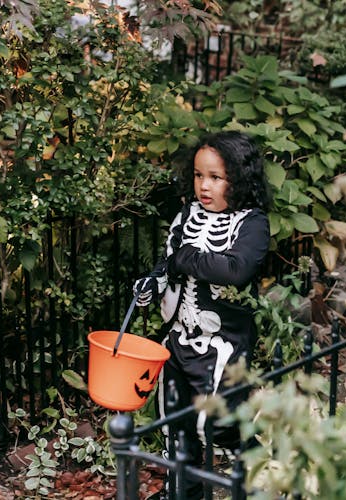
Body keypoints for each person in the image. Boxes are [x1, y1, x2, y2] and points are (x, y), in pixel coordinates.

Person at [132, 130, 271, 499]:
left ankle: (263, 479)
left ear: (238, 179)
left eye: (215, 177)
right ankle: (182, 491)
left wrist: (184, 259)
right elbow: (168, 264)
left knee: (221, 424)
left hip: (223, 344)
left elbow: (236, 269)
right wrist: (154, 283)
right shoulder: (186, 214)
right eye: (198, 176)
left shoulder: (252, 223)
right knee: (175, 421)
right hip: (178, 338)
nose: (204, 186)